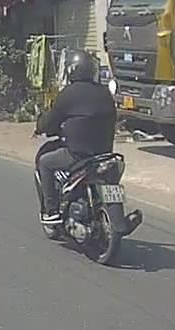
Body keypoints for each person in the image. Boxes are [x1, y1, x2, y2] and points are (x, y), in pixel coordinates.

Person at [34, 49, 117, 225]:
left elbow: (50, 120)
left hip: (78, 155)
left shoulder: (68, 94)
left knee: (45, 162)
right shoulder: (104, 93)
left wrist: (40, 127)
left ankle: (51, 210)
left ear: (71, 70)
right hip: (105, 154)